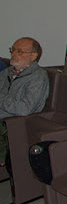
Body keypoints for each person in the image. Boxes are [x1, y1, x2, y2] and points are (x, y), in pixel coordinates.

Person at [0, 38, 49, 167]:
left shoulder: (38, 76)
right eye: (13, 50)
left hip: (14, 123)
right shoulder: (7, 72)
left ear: (33, 56)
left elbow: (24, 108)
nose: (14, 54)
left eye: (20, 51)